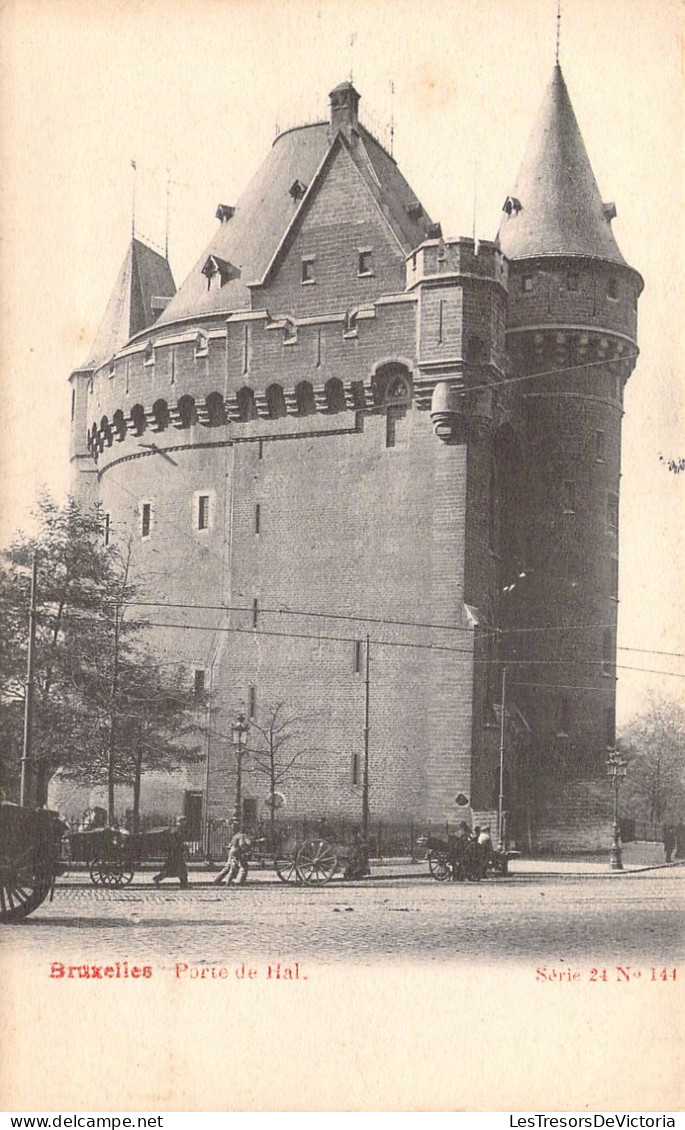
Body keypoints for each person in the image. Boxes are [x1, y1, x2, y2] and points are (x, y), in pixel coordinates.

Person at [152, 819, 188, 888]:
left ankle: (184, 884)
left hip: (177, 854)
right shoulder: (175, 832)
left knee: (180, 870)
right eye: (183, 823)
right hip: (175, 854)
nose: (184, 825)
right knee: (175, 870)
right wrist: (183, 846)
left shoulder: (177, 832)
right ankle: (157, 878)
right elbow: (175, 843)